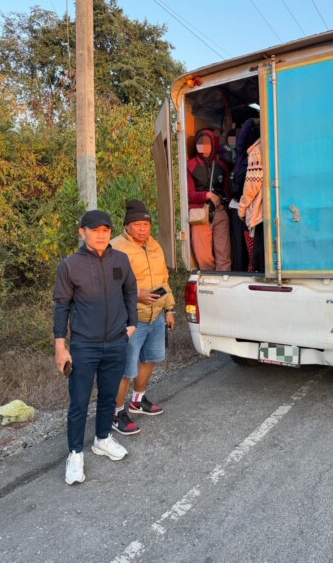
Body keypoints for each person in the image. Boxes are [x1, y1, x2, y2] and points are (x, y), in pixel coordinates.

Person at [53, 210, 138, 485]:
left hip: (116, 342)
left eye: (105, 230)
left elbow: (130, 290)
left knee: (109, 396)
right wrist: (60, 346)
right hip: (84, 346)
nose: (101, 235)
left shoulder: (120, 259)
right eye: (95, 230)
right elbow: (62, 306)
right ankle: (75, 453)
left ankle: (102, 439)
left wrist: (132, 323)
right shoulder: (70, 265)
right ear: (83, 232)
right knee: (79, 401)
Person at [110, 199, 176, 436]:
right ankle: (115, 413)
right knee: (125, 370)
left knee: (149, 359)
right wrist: (137, 294)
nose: (142, 229)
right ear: (127, 226)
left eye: (146, 225)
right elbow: (110, 285)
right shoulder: (115, 248)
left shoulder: (154, 245)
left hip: (156, 316)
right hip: (130, 320)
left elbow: (163, 279)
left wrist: (169, 309)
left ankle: (137, 401)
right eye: (137, 224)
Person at [187, 128, 232, 271]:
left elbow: (227, 192)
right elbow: (190, 195)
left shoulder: (222, 166)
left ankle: (224, 282)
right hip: (200, 214)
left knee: (224, 256)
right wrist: (207, 195)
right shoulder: (191, 166)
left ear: (213, 144)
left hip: (219, 212)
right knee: (203, 258)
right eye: (201, 144)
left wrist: (225, 207)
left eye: (207, 144)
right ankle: (211, 280)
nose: (204, 148)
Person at [229, 118, 261, 271]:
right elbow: (241, 142)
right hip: (245, 209)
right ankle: (247, 270)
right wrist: (253, 121)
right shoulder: (244, 155)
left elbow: (251, 188)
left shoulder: (252, 157)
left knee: (250, 250)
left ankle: (250, 270)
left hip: (248, 210)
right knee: (246, 248)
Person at [238, 134, 264, 272]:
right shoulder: (274, 146)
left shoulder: (257, 151)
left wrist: (241, 209)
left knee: (257, 260)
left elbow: (251, 187)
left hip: (260, 215)